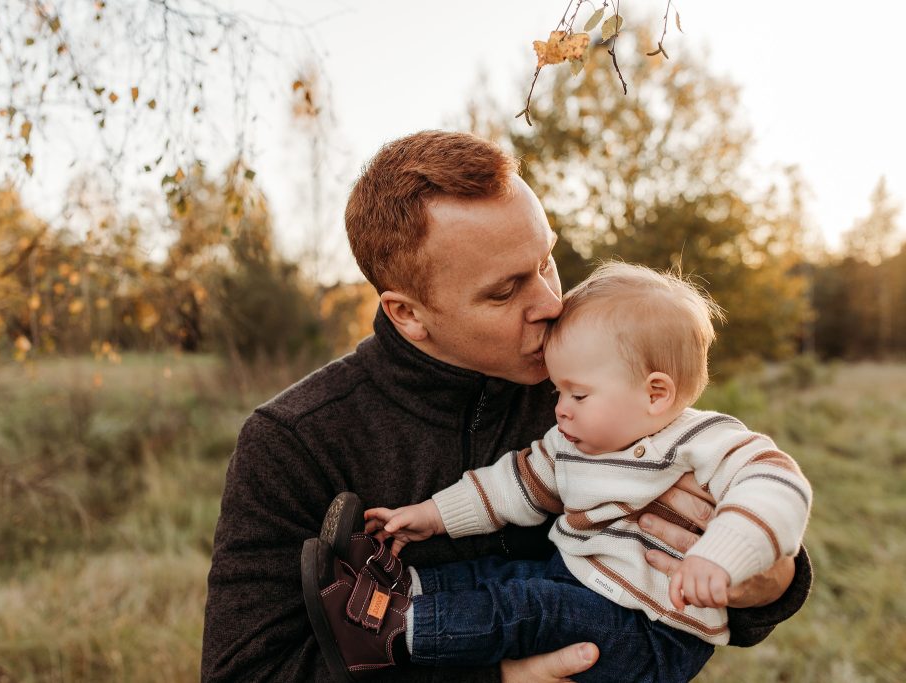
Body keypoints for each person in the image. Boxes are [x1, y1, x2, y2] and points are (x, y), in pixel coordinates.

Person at [201, 131, 813, 682]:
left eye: (547, 259)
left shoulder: (596, 380)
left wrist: (771, 582)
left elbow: (742, 529)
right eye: (504, 290)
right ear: (407, 313)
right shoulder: (294, 439)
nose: (551, 301)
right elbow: (247, 672)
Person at [301, 263, 812, 682]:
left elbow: (777, 485)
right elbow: (514, 486)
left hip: (649, 635)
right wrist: (433, 516)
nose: (560, 409)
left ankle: (392, 633)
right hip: (581, 581)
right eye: (558, 392)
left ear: (656, 394)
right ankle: (394, 591)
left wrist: (719, 558)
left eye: (578, 393)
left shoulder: (705, 440)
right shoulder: (573, 442)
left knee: (529, 605)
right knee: (501, 578)